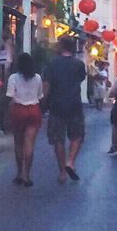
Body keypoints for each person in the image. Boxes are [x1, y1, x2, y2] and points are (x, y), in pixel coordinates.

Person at [42, 36, 88, 184]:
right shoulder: (79, 64)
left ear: (61, 47)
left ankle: (62, 171)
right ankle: (71, 161)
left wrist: (43, 102)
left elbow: (47, 85)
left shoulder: (52, 64)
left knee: (58, 140)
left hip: (56, 105)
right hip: (74, 104)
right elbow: (80, 79)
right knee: (77, 135)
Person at [6, 52, 44, 186]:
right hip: (34, 109)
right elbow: (40, 96)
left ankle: (19, 173)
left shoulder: (13, 78)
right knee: (29, 143)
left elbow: (10, 96)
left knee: (18, 143)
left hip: (18, 109)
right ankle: (27, 175)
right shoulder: (38, 78)